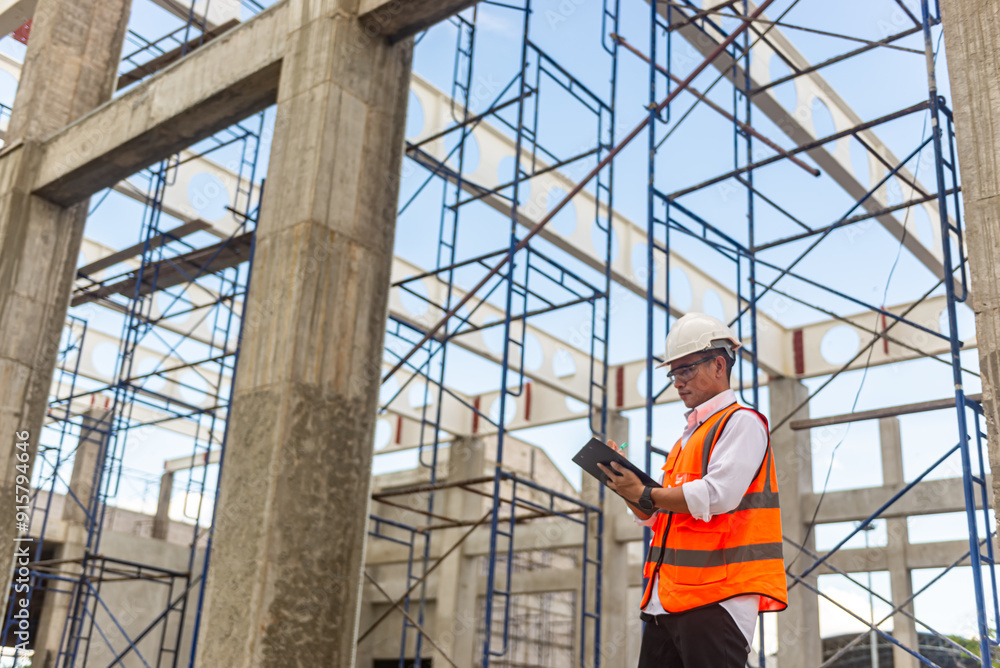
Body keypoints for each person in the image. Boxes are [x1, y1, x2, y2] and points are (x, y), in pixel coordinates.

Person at [597, 313, 787, 667]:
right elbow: (657, 517)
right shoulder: (686, 441)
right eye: (674, 373)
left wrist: (645, 493)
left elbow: (717, 496)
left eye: (686, 370)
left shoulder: (741, 422)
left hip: (716, 600)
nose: (677, 382)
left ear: (718, 365)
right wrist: (627, 486)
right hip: (665, 600)